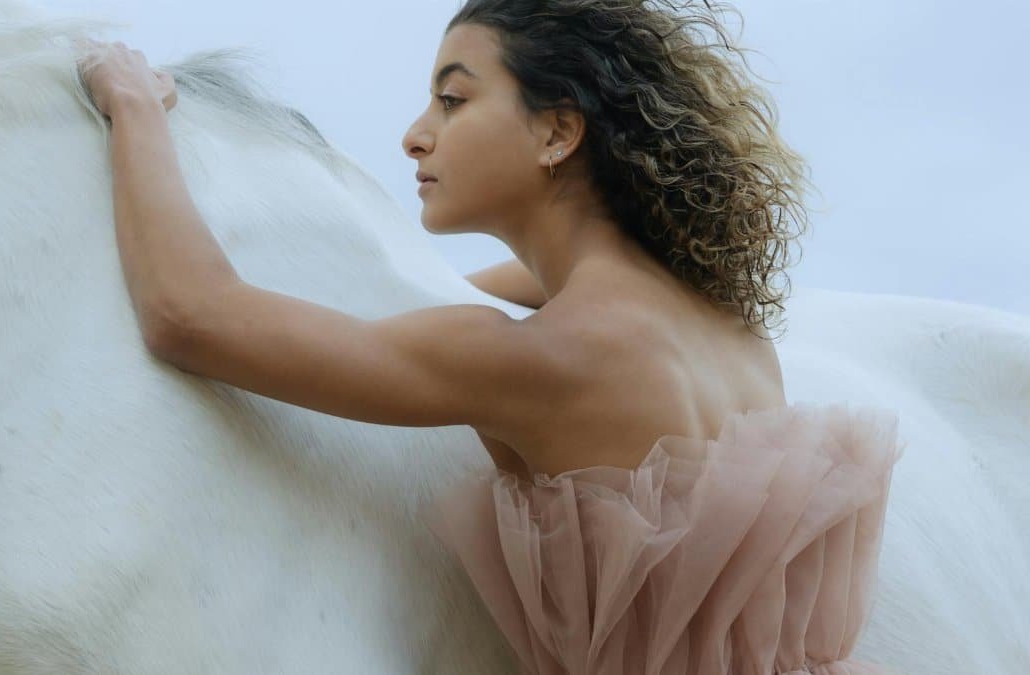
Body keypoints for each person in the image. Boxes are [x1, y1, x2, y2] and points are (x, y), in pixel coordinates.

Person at [78, 1, 905, 672]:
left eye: (453, 98)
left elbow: (189, 314)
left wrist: (136, 107)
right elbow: (562, 277)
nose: (414, 134)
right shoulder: (721, 321)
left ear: (557, 133)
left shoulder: (532, 358)